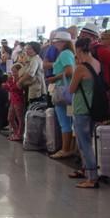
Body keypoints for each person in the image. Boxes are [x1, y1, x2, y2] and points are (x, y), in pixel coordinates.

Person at [68, 37, 101, 189]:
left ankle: (92, 178)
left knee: (84, 144)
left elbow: (71, 89)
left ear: (79, 49)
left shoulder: (81, 68)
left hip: (81, 107)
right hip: (93, 106)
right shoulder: (97, 63)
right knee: (89, 142)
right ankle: (90, 174)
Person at [47, 31, 77, 159]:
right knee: (69, 121)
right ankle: (69, 148)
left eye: (57, 41)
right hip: (68, 90)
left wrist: (54, 79)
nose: (54, 43)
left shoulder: (65, 54)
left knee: (64, 122)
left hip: (62, 91)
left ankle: (65, 149)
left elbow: (69, 71)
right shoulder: (69, 53)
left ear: (63, 42)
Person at [3, 65, 25, 141]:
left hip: (19, 101)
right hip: (13, 100)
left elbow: (16, 88)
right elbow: (11, 89)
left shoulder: (20, 79)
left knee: (20, 118)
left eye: (15, 72)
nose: (13, 73)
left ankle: (20, 134)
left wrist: (9, 82)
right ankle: (16, 133)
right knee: (10, 118)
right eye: (12, 72)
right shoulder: (13, 79)